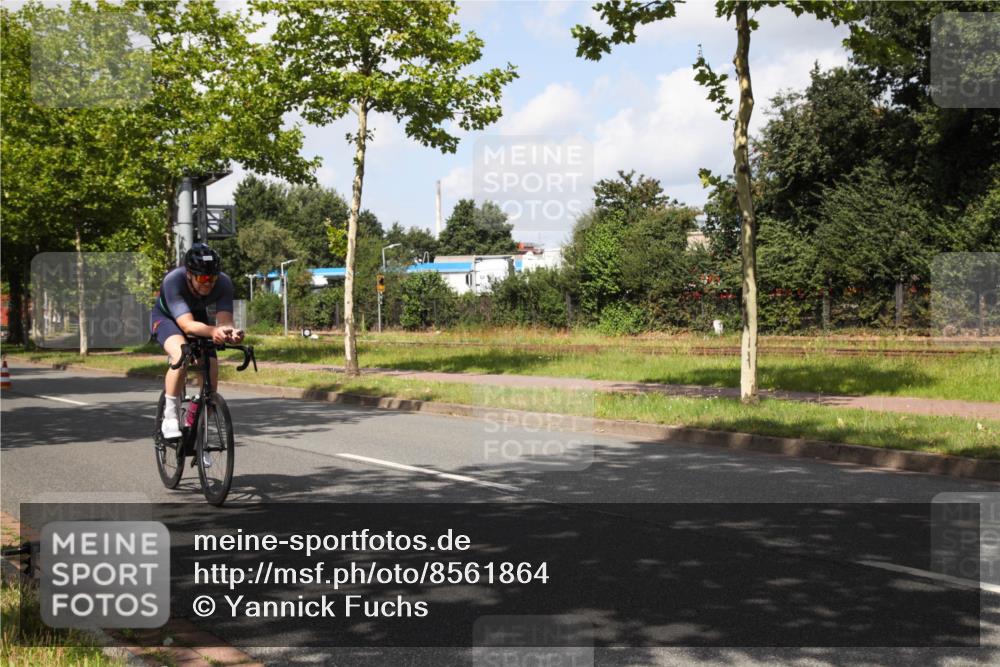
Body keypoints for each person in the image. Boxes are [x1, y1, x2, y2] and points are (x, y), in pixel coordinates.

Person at [151, 243, 243, 439]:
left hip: (197, 316)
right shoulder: (173, 281)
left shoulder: (224, 283)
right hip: (167, 318)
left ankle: (198, 427)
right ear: (189, 275)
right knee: (181, 355)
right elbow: (186, 326)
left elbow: (225, 320)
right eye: (202, 278)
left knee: (211, 366)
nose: (208, 284)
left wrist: (230, 332)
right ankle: (170, 416)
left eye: (212, 278)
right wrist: (213, 331)